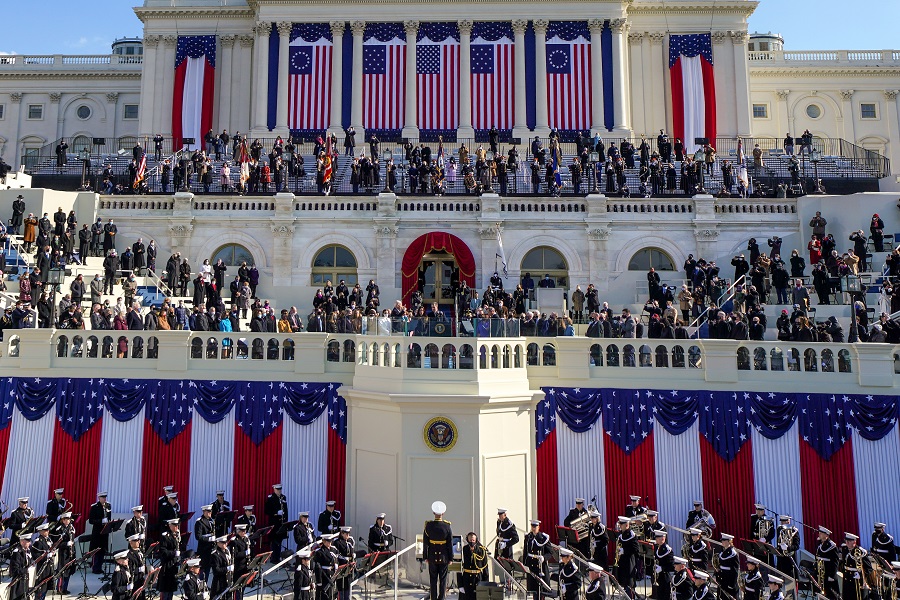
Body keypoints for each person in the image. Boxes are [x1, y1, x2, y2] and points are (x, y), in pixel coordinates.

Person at [423, 501, 453, 600]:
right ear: (443, 513)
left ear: (433, 513)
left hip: (432, 556)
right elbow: (449, 543)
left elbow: (425, 543)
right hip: (444, 556)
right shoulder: (447, 526)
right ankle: (442, 598)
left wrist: (425, 556)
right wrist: (451, 558)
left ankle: (434, 598)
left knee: (433, 579)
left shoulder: (428, 525)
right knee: (443, 580)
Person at [523, 520, 551, 598]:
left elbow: (550, 552)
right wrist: (524, 564)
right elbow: (525, 552)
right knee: (533, 589)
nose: (533, 528)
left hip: (540, 566)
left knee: (541, 590)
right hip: (531, 565)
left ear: (538, 527)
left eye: (535, 527)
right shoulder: (528, 537)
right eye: (532, 527)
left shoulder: (543, 537)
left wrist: (544, 557)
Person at [158, 518, 183, 600]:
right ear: (170, 526)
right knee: (166, 590)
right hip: (167, 565)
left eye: (177, 525)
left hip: (174, 565)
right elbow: (163, 551)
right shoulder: (165, 536)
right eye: (174, 525)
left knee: (171, 588)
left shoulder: (176, 535)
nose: (176, 527)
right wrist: (173, 553)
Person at [459, 532, 488, 600]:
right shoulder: (464, 549)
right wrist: (460, 585)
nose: (471, 542)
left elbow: (485, 568)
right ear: (467, 540)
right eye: (470, 540)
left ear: (476, 540)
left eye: (473, 540)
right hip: (466, 578)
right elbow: (459, 567)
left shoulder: (481, 550)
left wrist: (485, 584)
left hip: (477, 578)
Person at [89, 492, 112, 574]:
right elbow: (91, 520)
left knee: (103, 549)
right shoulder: (94, 507)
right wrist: (101, 521)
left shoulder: (108, 506)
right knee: (96, 550)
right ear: (99, 498)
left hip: (105, 532)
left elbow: (109, 516)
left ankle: (100, 567)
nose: (104, 499)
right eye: (102, 497)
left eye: (105, 497)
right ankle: (95, 567)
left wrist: (108, 522)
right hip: (97, 532)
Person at [265, 484, 289, 562]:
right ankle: (273, 558)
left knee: (279, 540)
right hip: (274, 523)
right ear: (274, 490)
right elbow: (267, 511)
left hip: (281, 523)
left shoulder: (283, 497)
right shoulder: (270, 498)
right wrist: (276, 513)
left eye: (280, 490)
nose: (279, 491)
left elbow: (286, 510)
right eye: (278, 490)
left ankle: (278, 557)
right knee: (274, 541)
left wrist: (286, 522)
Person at [816, 527, 840, 600]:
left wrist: (832, 575)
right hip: (822, 574)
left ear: (826, 535)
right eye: (819, 533)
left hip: (829, 574)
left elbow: (835, 562)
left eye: (821, 533)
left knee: (832, 595)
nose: (819, 534)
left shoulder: (832, 546)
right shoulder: (820, 545)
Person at [653, 530, 674, 600]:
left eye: (657, 538)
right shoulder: (657, 548)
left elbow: (671, 566)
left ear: (663, 538)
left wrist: (662, 568)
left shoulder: (668, 550)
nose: (656, 539)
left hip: (665, 578)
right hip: (658, 578)